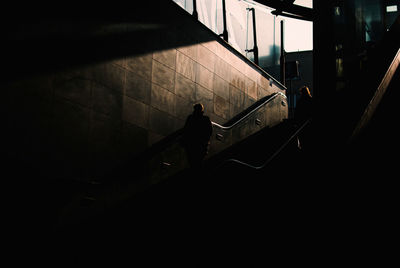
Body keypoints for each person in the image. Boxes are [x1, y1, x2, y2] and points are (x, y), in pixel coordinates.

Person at [181, 103, 213, 170]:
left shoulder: (190, 118)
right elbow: (209, 131)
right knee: (198, 162)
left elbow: (186, 130)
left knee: (192, 162)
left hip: (192, 144)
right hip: (201, 144)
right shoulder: (206, 119)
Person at [294, 86, 313, 150]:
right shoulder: (311, 100)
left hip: (301, 122)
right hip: (308, 123)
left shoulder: (300, 101)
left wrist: (296, 122)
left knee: (302, 139)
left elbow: (297, 112)